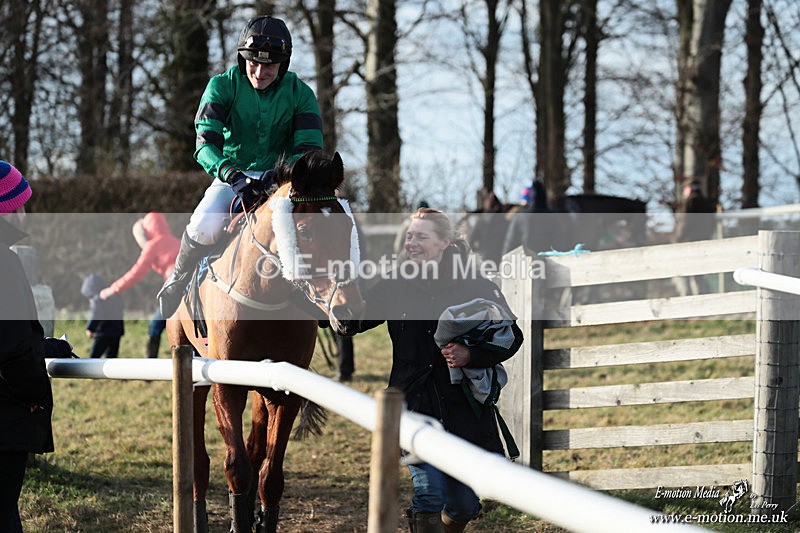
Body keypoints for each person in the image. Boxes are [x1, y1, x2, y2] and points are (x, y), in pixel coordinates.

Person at [356, 208, 523, 533]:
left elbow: (512, 336)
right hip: (414, 406)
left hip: (465, 411)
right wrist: (314, 296)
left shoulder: (476, 284)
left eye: (421, 236)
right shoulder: (395, 284)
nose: (411, 243)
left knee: (464, 505)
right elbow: (353, 321)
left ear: (445, 241)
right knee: (430, 494)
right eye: (409, 236)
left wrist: (471, 354)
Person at [157, 15, 323, 317]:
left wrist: (282, 175)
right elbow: (205, 145)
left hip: (282, 180)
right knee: (204, 225)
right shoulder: (221, 86)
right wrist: (232, 175)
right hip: (231, 176)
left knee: (315, 226)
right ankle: (178, 278)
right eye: (253, 64)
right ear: (242, 59)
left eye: (270, 65)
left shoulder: (301, 93)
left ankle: (322, 294)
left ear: (283, 65)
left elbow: (309, 150)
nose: (260, 72)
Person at [0, 160, 74, 533]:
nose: (26, 215)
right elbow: (11, 349)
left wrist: (46, 348)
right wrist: (31, 394)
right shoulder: (5, 263)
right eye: (22, 206)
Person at [99, 213, 179, 357]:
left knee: (155, 325)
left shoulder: (153, 246)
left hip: (175, 288)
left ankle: (150, 365)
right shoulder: (176, 241)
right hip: (191, 286)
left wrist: (113, 289)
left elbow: (136, 273)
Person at [673, 180, 717, 295]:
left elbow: (685, 222)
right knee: (699, 275)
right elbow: (712, 224)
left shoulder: (690, 203)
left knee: (683, 274)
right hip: (703, 243)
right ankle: (701, 301)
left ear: (689, 189)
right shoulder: (707, 204)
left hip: (688, 243)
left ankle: (687, 302)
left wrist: (677, 239)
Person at [502, 179, 558, 256]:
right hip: (549, 261)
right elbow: (560, 241)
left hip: (525, 261)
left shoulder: (520, 216)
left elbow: (510, 242)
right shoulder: (553, 216)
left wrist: (505, 261)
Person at [81, 274, 124, 359]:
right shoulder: (114, 296)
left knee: (94, 356)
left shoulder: (97, 300)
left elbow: (96, 314)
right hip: (116, 332)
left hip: (103, 332)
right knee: (112, 356)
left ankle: (90, 371)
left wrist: (90, 328)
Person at [467, 191, 508, 266]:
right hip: (501, 259)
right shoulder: (505, 222)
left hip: (484, 258)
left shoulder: (481, 222)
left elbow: (470, 241)